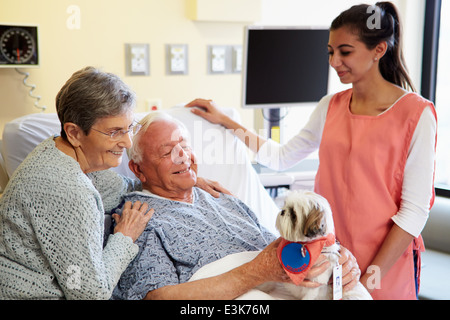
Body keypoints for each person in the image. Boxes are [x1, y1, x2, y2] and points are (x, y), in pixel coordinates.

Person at [185, 2, 437, 300]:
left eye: (345, 51)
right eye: (330, 52)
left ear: (378, 50)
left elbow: (413, 212)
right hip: (329, 259)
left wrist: (369, 278)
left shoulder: (416, 115)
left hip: (384, 265)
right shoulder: (330, 106)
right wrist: (227, 122)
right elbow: (281, 157)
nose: (334, 61)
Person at [0, 67, 226, 300]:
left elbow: (124, 187)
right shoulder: (68, 191)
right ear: (74, 133)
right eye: (114, 132)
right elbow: (88, 294)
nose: (127, 142)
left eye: (128, 128)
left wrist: (184, 177)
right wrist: (125, 237)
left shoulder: (64, 153)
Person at [111, 111, 360, 300]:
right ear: (138, 170)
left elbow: (280, 247)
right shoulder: (138, 219)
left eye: (185, 146)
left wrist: (333, 258)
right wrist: (256, 272)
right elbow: (157, 297)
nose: (183, 157)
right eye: (167, 153)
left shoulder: (223, 197)